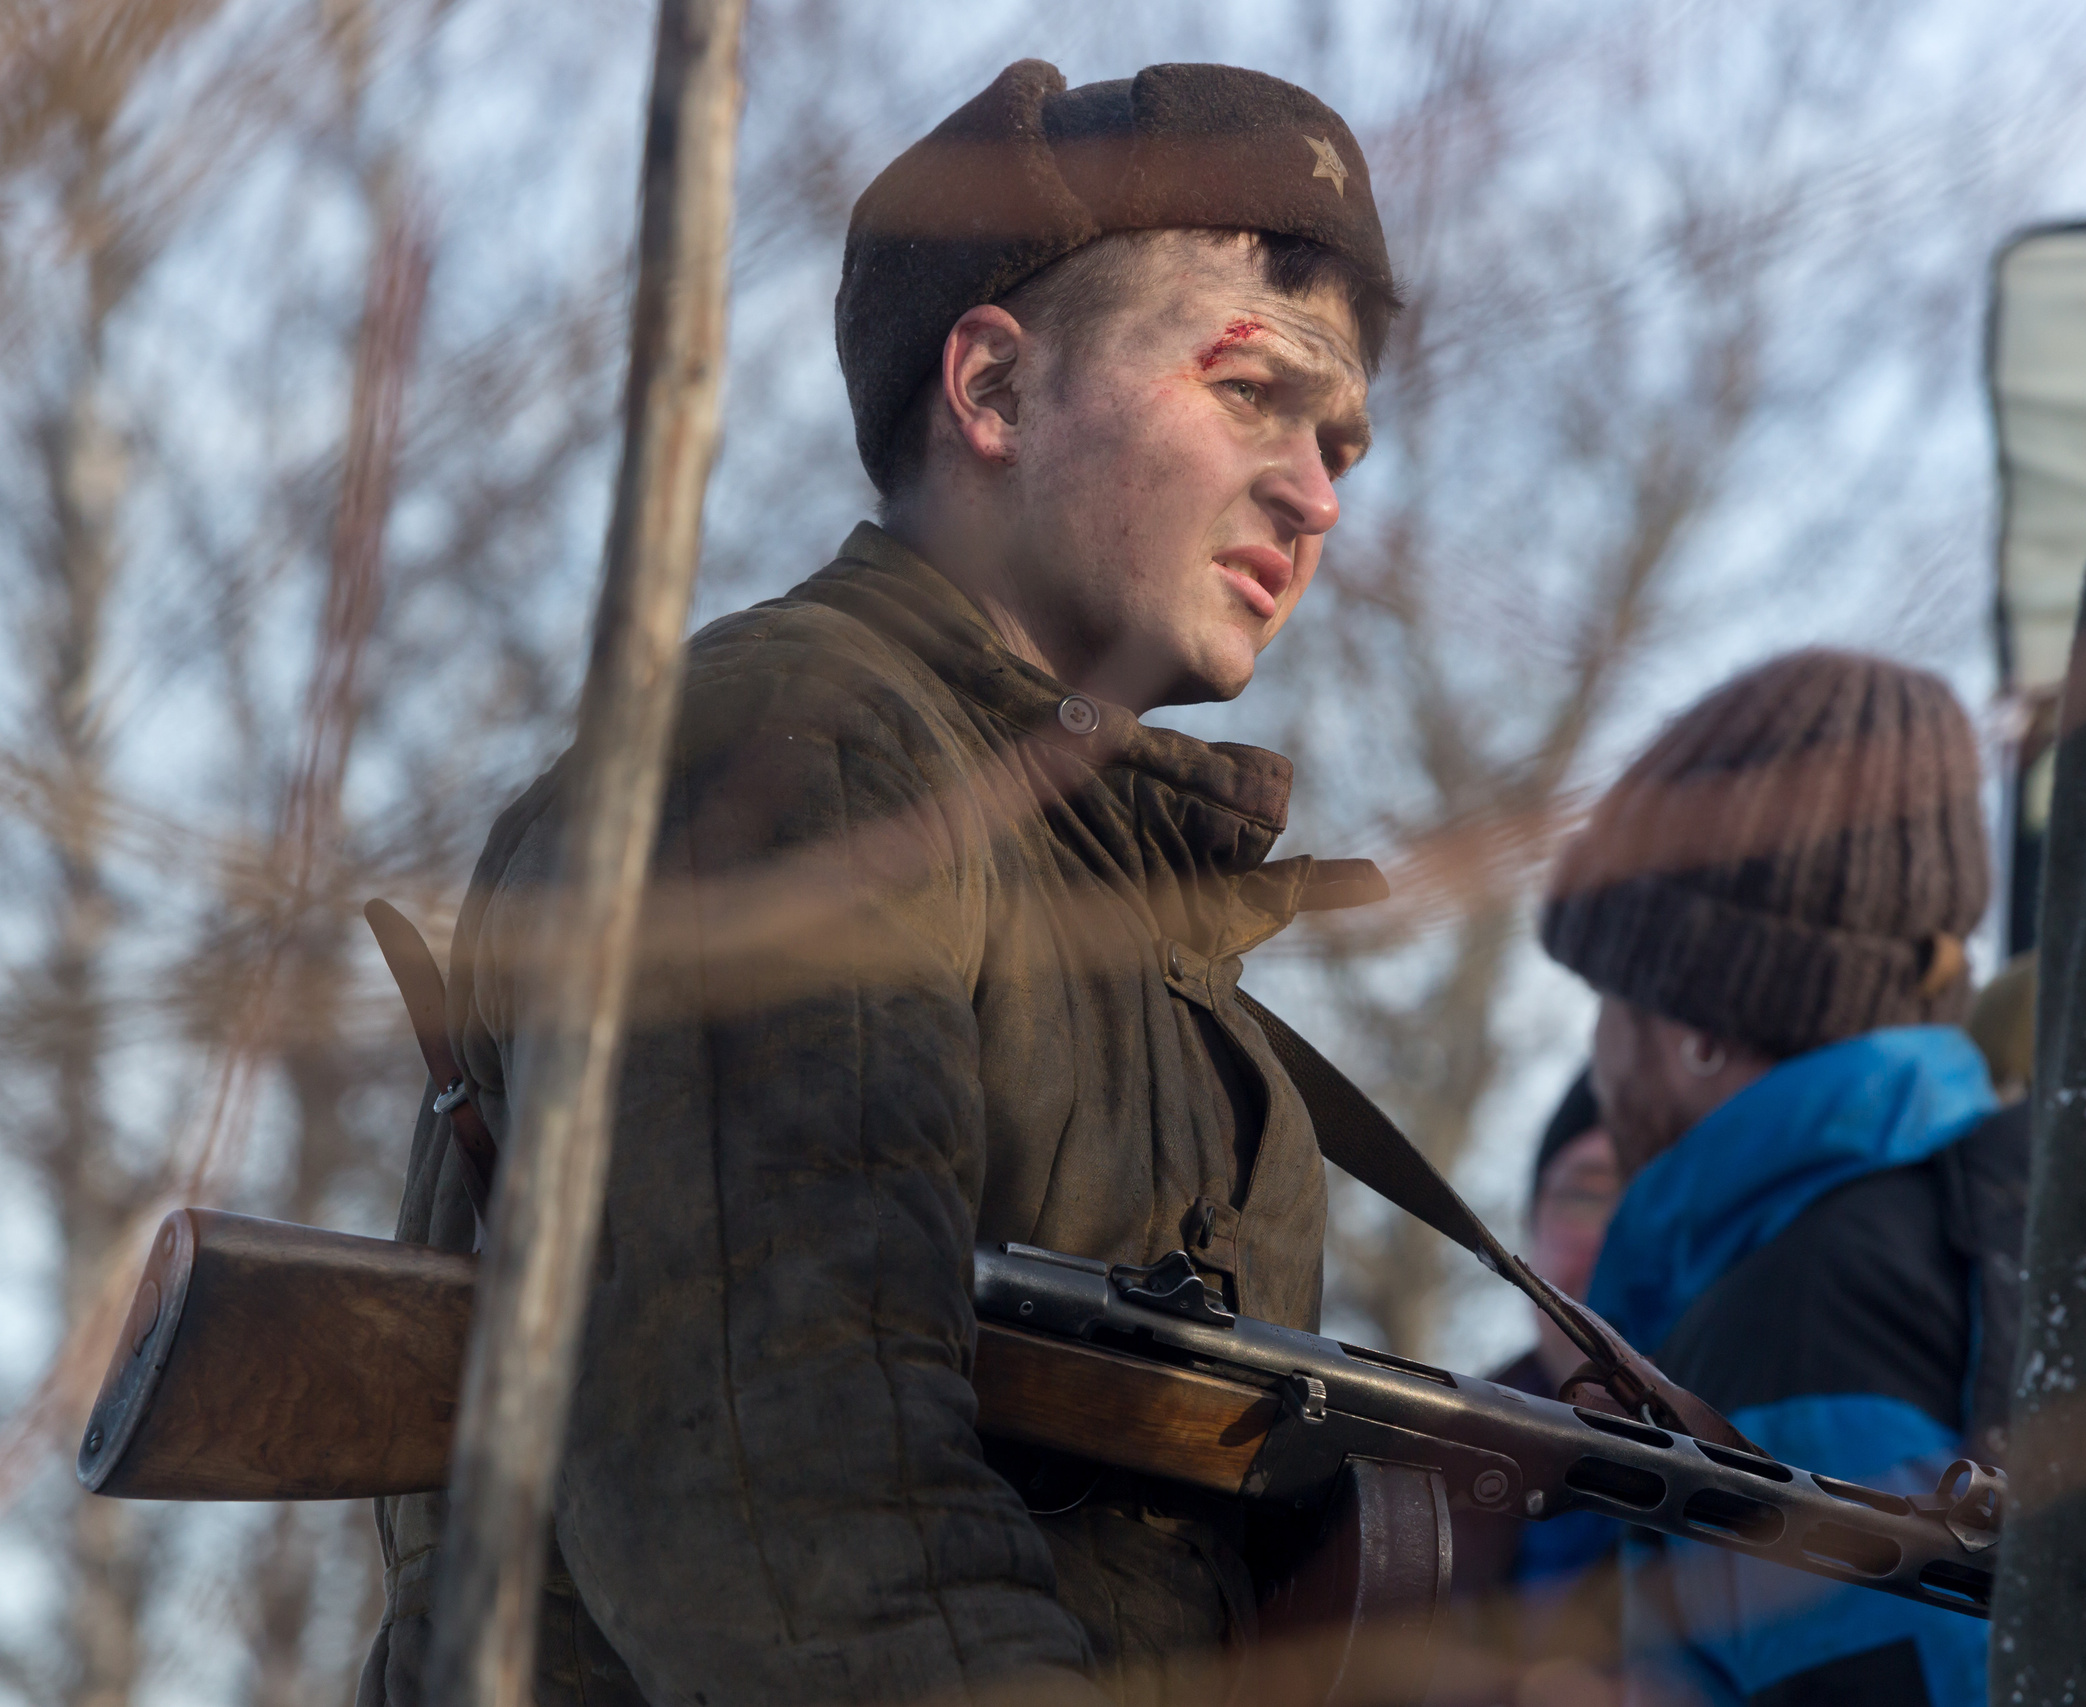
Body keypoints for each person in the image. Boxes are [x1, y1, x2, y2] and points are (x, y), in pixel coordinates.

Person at [359, 60, 1406, 1707]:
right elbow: (794, 1526)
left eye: (1341, 439)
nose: (1319, 492)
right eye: (1252, 395)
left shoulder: (1136, 928)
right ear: (992, 388)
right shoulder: (800, 767)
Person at [1537, 649, 2024, 1707]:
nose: (1600, 1054)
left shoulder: (1800, 1318)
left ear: (1698, 1028)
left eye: (1613, 996)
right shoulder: (1982, 1213)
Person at [1447, 1072, 1629, 1701]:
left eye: (1650, 1203)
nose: (1616, 1238)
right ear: (1526, 1237)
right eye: (1589, 1197)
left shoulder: (1771, 1466)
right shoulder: (1422, 1466)